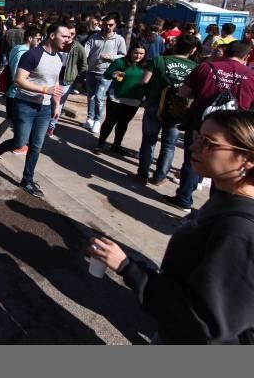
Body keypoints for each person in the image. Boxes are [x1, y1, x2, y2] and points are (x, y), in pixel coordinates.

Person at [90, 110, 254, 344]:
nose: (192, 147)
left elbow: (205, 321)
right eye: (197, 136)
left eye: (208, 143)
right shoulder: (226, 197)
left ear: (247, 158)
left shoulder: (239, 229)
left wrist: (128, 268)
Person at [0, 22, 71, 199]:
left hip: (45, 108)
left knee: (36, 145)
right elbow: (19, 80)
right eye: (64, 36)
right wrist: (44, 90)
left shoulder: (60, 58)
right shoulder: (33, 54)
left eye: (69, 36)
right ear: (52, 35)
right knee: (19, 143)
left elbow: (56, 84)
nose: (68, 40)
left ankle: (27, 180)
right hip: (25, 105)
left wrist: (56, 105)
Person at [166, 40, 254, 212]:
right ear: (246, 56)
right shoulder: (251, 76)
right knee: (225, 168)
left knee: (193, 160)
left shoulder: (205, 68)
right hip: (236, 131)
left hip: (202, 124)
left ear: (226, 51)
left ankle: (184, 197)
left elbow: (183, 93)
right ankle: (214, 206)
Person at [135, 35, 199, 185]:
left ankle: (142, 174)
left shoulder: (158, 60)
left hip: (155, 105)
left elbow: (144, 80)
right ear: (193, 49)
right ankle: (159, 177)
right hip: (178, 109)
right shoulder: (195, 67)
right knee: (169, 145)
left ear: (175, 45)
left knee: (148, 141)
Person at [0, 27, 42, 151]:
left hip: (13, 92)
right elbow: (17, 75)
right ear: (30, 38)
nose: (39, 42)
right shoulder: (23, 53)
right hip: (16, 93)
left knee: (12, 119)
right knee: (18, 120)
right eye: (38, 39)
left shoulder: (16, 48)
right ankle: (16, 145)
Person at [95, 44, 147, 153]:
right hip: (116, 98)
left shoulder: (146, 65)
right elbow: (106, 74)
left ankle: (116, 145)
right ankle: (100, 144)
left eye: (141, 53)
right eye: (136, 53)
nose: (138, 56)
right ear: (130, 52)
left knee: (123, 124)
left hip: (134, 100)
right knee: (110, 121)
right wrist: (114, 73)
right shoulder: (120, 62)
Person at [84, 14, 127, 134]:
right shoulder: (94, 37)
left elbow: (123, 55)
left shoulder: (119, 39)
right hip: (91, 71)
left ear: (115, 26)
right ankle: (90, 118)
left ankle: (98, 121)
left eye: (110, 25)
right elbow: (85, 51)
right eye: (105, 24)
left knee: (99, 97)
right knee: (90, 96)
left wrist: (112, 57)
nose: (107, 27)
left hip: (106, 73)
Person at [47, 26, 87, 138]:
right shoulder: (56, 43)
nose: (69, 37)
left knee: (57, 104)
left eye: (72, 34)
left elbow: (83, 66)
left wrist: (76, 77)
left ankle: (51, 126)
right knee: (47, 101)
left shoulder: (78, 47)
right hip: (51, 77)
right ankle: (44, 123)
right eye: (67, 34)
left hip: (65, 81)